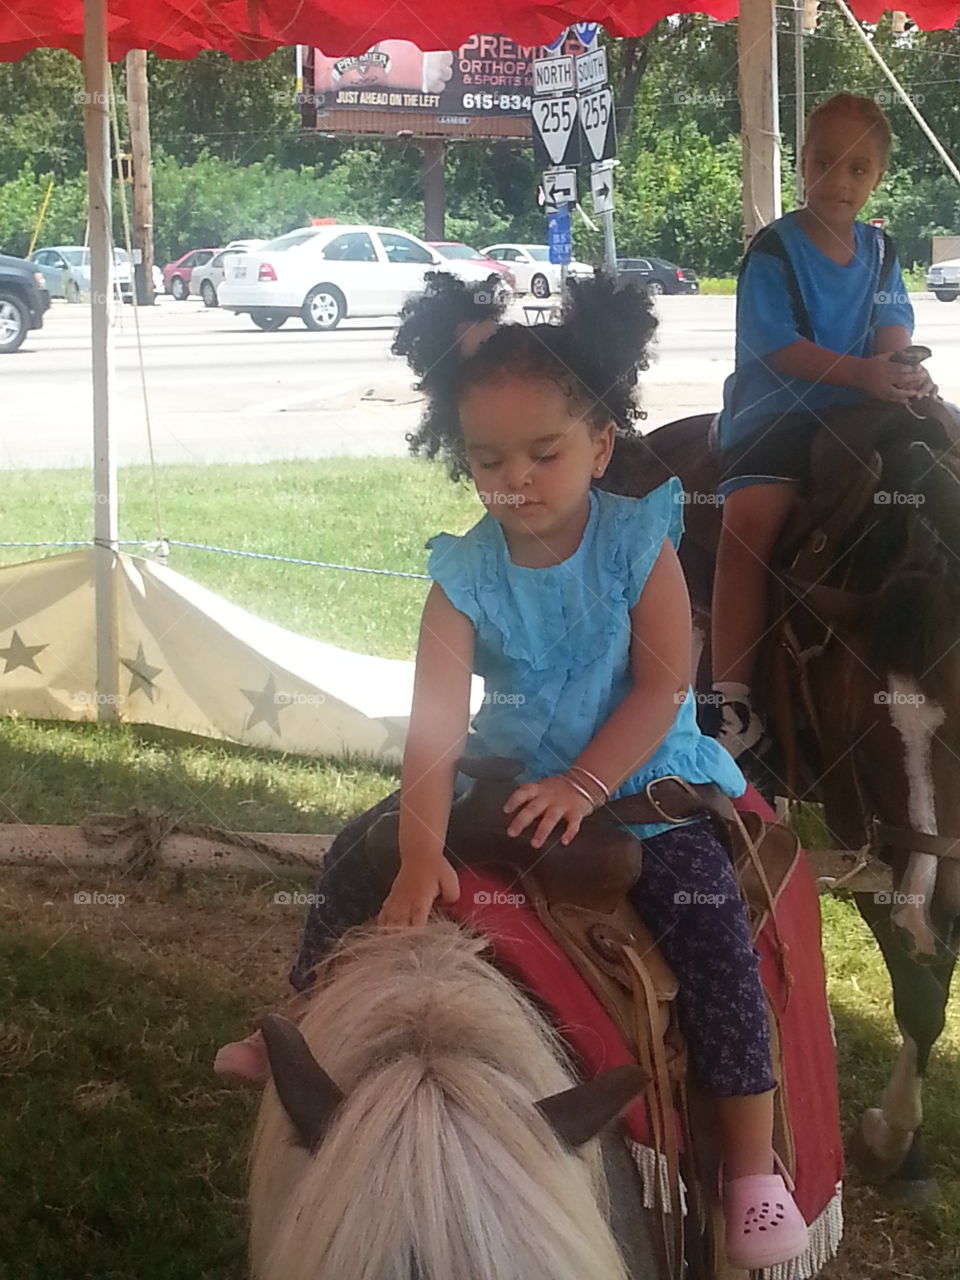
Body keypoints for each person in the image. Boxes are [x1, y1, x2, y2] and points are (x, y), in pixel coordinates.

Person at [216, 272, 808, 1270]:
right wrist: (415, 852)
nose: (516, 478)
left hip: (633, 779)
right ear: (463, 460)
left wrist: (583, 784)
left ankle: (749, 1161)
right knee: (354, 854)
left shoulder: (637, 540)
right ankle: (299, 1019)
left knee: (708, 917)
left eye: (544, 452)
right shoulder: (464, 575)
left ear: (601, 446)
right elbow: (436, 726)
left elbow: (663, 683)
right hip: (507, 769)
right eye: (489, 459)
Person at [712, 93, 936, 758]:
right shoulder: (774, 250)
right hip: (776, 411)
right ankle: (731, 699)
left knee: (940, 461)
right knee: (751, 524)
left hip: (859, 408)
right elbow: (775, 346)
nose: (839, 181)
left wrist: (900, 370)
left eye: (858, 168)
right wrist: (864, 375)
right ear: (801, 162)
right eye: (824, 162)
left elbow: (893, 329)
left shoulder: (882, 249)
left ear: (878, 177)